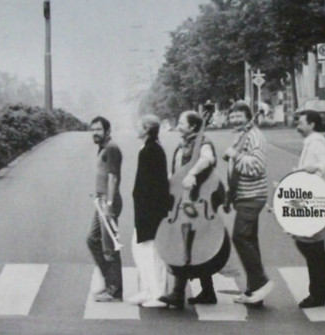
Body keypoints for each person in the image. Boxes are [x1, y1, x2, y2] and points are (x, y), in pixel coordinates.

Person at [159, 110, 223, 309]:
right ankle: (208, 292)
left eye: (182, 123)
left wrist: (193, 174)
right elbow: (178, 169)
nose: (179, 126)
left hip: (195, 202)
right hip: (183, 201)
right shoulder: (183, 144)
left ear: (193, 126)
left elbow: (207, 159)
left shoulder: (203, 143)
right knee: (195, 246)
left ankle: (178, 293)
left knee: (184, 245)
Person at [293, 110, 325, 308]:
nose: (298, 125)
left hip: (319, 197)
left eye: (301, 122)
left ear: (312, 124)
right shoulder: (310, 142)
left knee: (310, 245)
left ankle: (318, 293)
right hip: (313, 197)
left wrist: (316, 168)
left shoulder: (317, 142)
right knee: (310, 244)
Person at [225, 101, 274, 305]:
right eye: (232, 116)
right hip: (244, 196)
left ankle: (261, 282)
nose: (235, 119)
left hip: (252, 196)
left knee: (240, 237)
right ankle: (254, 291)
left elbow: (256, 167)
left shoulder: (255, 136)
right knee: (250, 240)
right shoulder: (242, 135)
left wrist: (235, 155)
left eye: (239, 116)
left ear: (248, 117)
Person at [128, 114, 170, 308]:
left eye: (139, 125)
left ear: (146, 129)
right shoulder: (148, 149)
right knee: (139, 249)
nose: (136, 128)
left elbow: (153, 185)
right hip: (146, 208)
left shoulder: (151, 150)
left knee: (152, 251)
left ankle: (158, 294)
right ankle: (147, 289)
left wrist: (148, 208)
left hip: (151, 209)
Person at [87, 115, 123, 302]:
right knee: (93, 239)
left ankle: (114, 290)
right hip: (101, 201)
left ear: (107, 131)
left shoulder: (111, 148)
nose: (95, 133)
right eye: (93, 129)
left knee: (110, 248)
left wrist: (108, 205)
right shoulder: (103, 148)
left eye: (98, 129)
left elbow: (113, 177)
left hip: (108, 202)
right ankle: (110, 282)